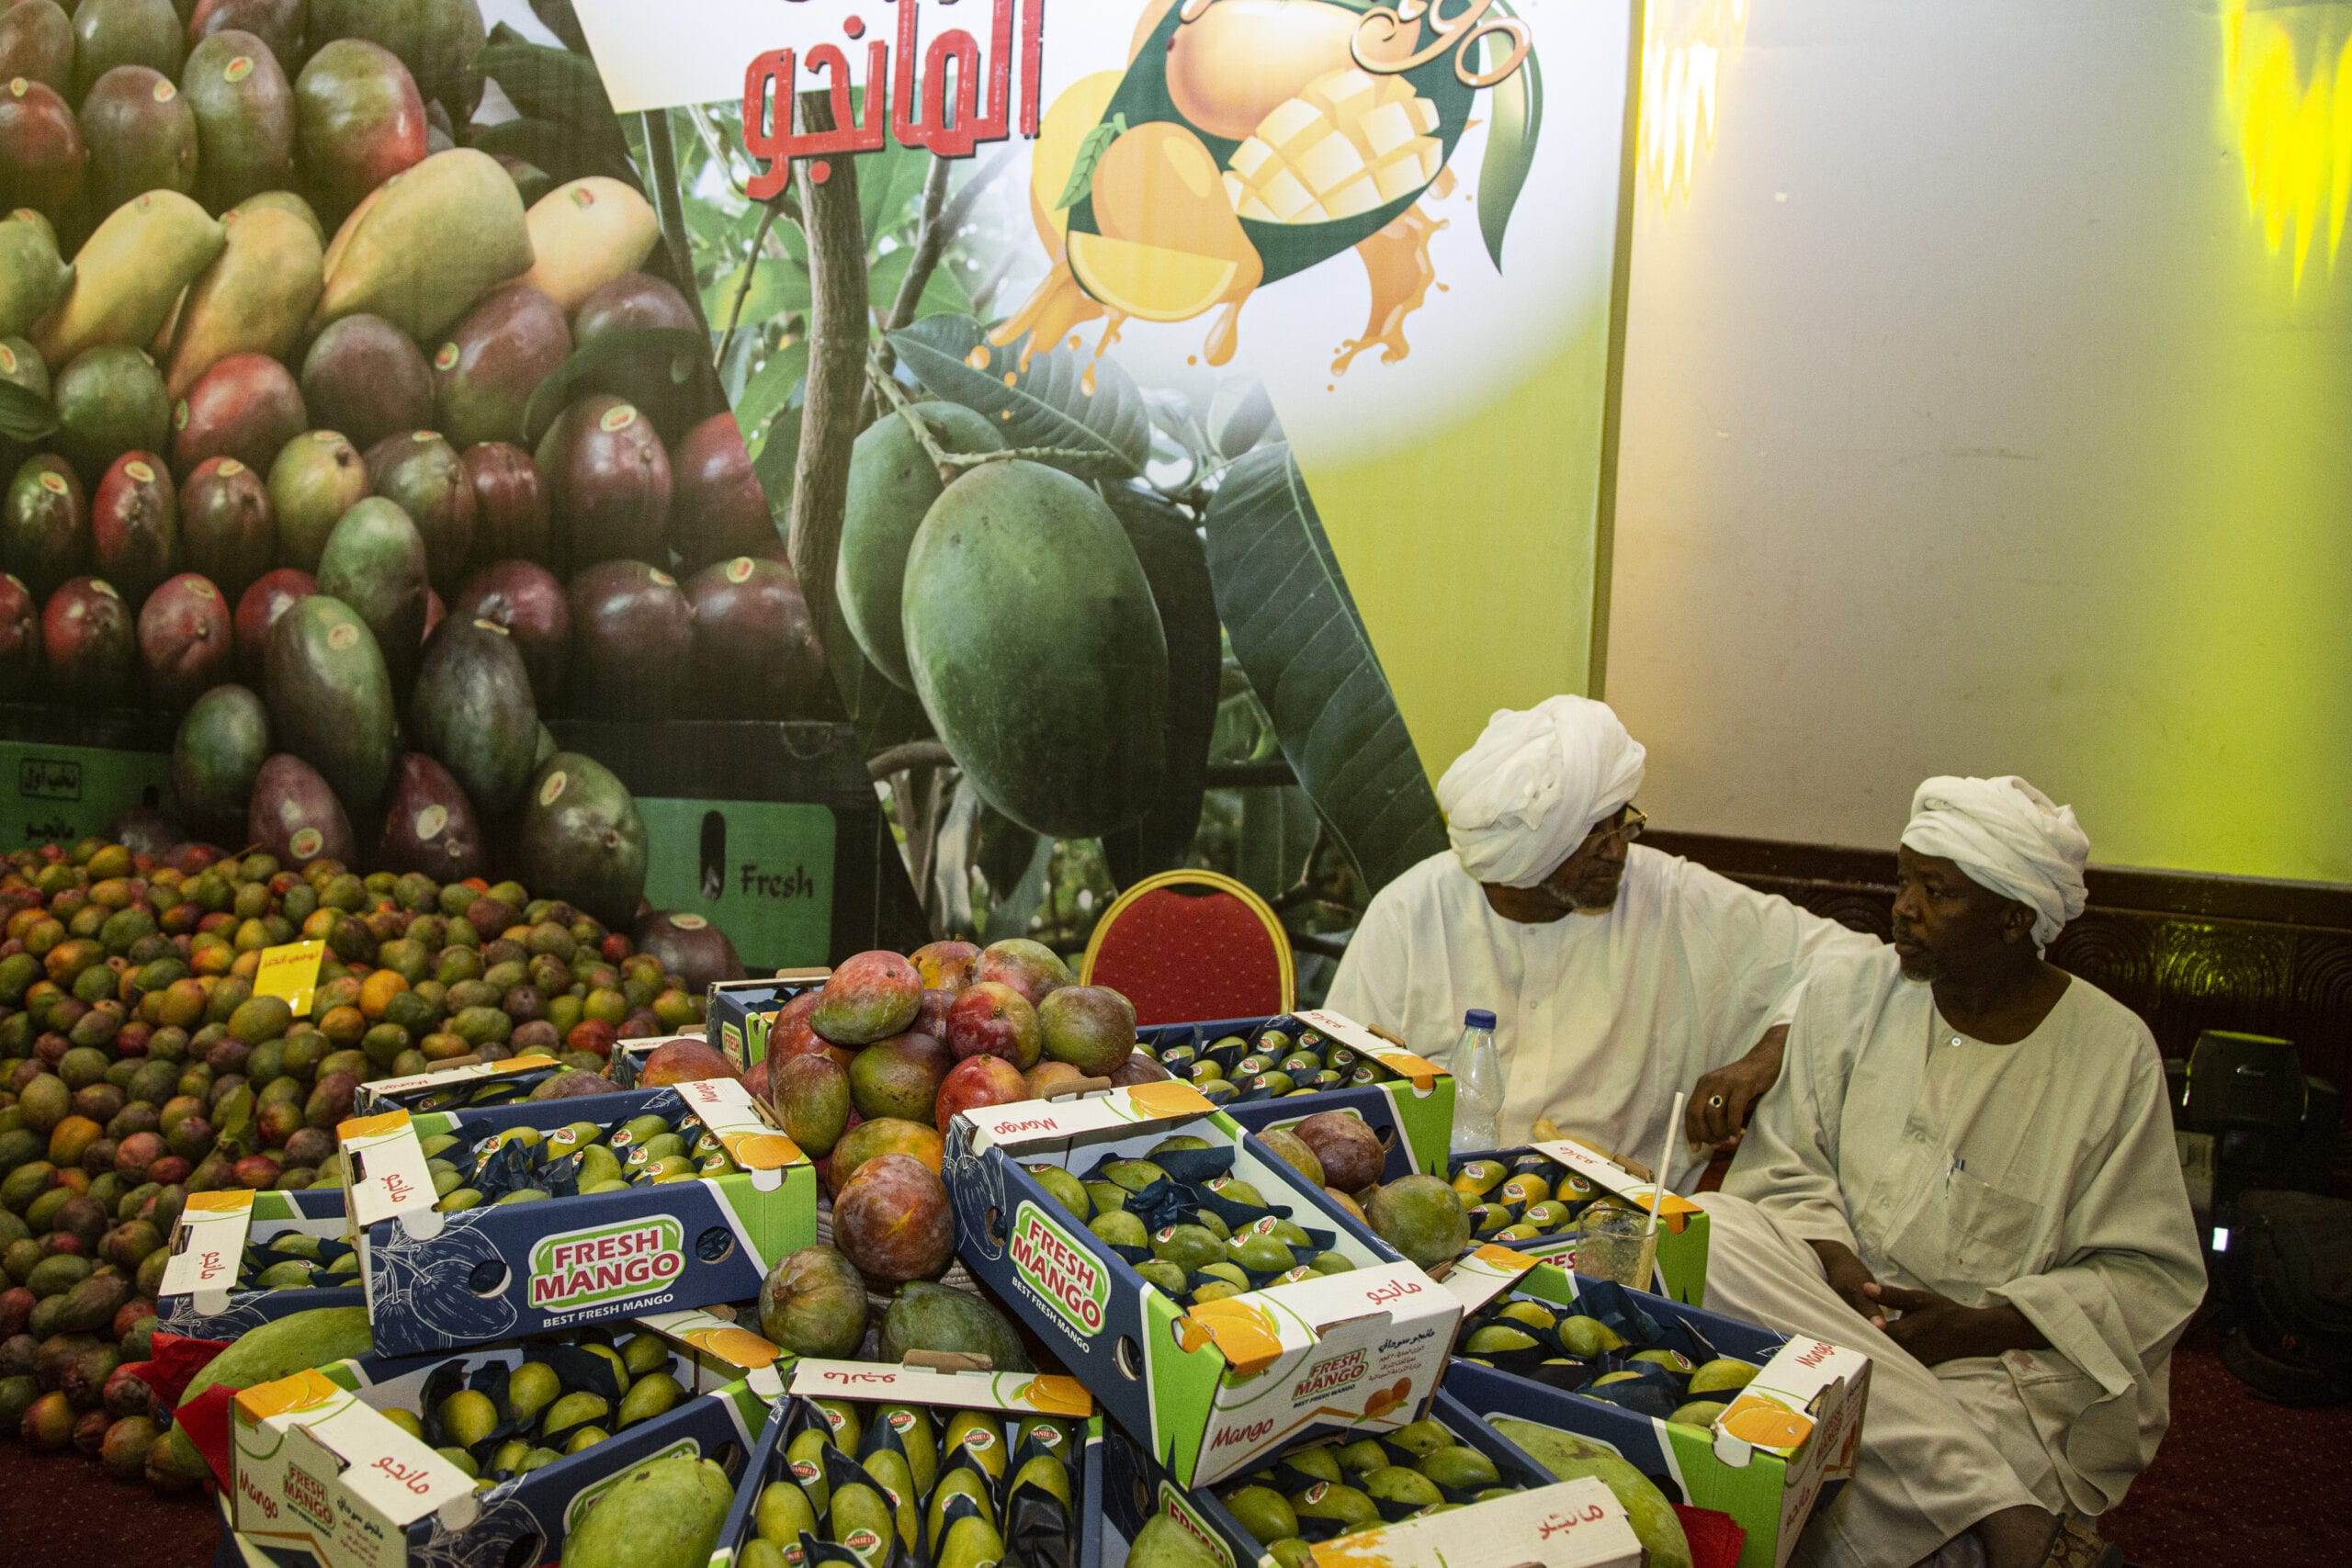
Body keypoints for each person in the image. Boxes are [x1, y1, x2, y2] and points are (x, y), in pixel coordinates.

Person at [1704, 775, 2204, 1568]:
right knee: (1724, 1229)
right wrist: (1832, 1258)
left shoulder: (2114, 1054)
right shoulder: (1848, 994)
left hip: (1997, 1363)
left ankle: (1955, 1494)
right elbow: (1785, 1167)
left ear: (2015, 918)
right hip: (1829, 1308)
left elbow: (2150, 1275)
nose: (1903, 907)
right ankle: (2004, 1512)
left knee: (1833, 1479)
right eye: (1903, 880)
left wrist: (1980, 1324)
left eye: (1936, 891)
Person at [1324, 695, 1876, 1188]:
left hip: (1615, 1230)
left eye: (1622, 824)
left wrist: (1762, 1057)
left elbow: (1856, 965)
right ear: (1522, 859)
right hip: (1425, 1216)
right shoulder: (1411, 915)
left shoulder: (1673, 898)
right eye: (1593, 835)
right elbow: (1337, 1093)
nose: (1618, 852)